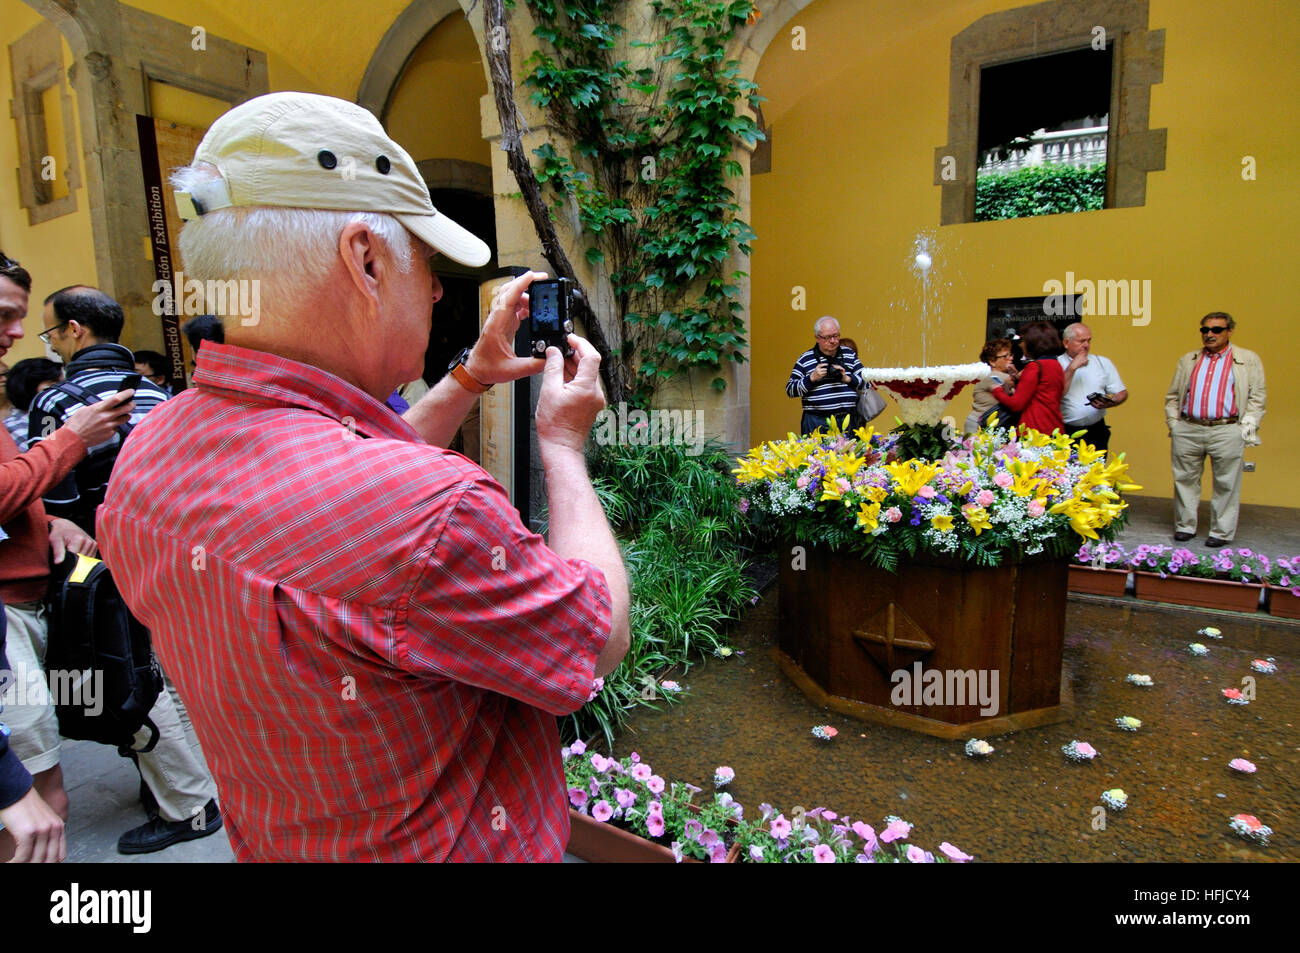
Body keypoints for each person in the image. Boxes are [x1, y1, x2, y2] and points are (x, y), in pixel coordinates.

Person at [97, 91, 631, 862]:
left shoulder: (149, 454)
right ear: (367, 258)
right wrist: (562, 447)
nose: (439, 289)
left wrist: (470, 376)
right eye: (427, 263)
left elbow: (333, 498)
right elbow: (598, 638)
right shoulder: (432, 510)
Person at [0, 250, 141, 862]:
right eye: (7, 316)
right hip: (17, 607)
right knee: (36, 794)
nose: (18, 335)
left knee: (41, 780)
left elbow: (22, 488)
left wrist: (51, 516)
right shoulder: (148, 392)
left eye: (33, 323)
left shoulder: (57, 401)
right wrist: (70, 443)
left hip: (49, 589)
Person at [1164, 312, 1265, 547]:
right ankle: (1185, 527)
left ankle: (1221, 532)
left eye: (1216, 330)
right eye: (1205, 330)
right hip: (1189, 427)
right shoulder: (1189, 359)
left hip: (1226, 429)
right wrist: (1174, 424)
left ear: (1229, 332)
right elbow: (1172, 396)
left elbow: (1257, 398)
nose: (1210, 334)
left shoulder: (1247, 359)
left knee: (1226, 483)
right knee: (1184, 479)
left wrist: (1246, 427)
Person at [786, 316, 868, 434]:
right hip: (816, 421)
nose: (833, 341)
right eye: (828, 337)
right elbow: (790, 390)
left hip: (847, 420)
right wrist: (811, 378)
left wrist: (847, 378)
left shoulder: (849, 354)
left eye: (836, 336)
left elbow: (867, 383)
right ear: (817, 338)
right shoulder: (805, 358)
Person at [1058, 322, 1127, 451]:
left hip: (1097, 429)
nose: (1086, 345)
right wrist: (1072, 368)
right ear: (1066, 343)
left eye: (1089, 341)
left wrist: (1111, 402)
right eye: (1081, 341)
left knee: (1099, 470)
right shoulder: (1057, 364)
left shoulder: (1102, 362)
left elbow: (1121, 392)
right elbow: (1057, 394)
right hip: (1068, 431)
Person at [991, 321, 1065, 435]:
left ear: (1033, 343)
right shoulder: (1056, 364)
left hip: (1034, 430)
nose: (1021, 345)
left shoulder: (1034, 367)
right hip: (1054, 428)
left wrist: (997, 391)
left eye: (1024, 341)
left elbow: (1016, 404)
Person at [4, 359, 63, 449]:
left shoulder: (50, 417)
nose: (62, 390)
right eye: (52, 384)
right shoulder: (14, 425)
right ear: (29, 386)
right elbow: (51, 455)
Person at [965, 338, 1019, 434]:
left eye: (1010, 354)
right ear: (992, 361)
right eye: (1005, 356)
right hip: (978, 425)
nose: (1011, 358)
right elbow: (1013, 381)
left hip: (991, 425)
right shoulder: (991, 375)